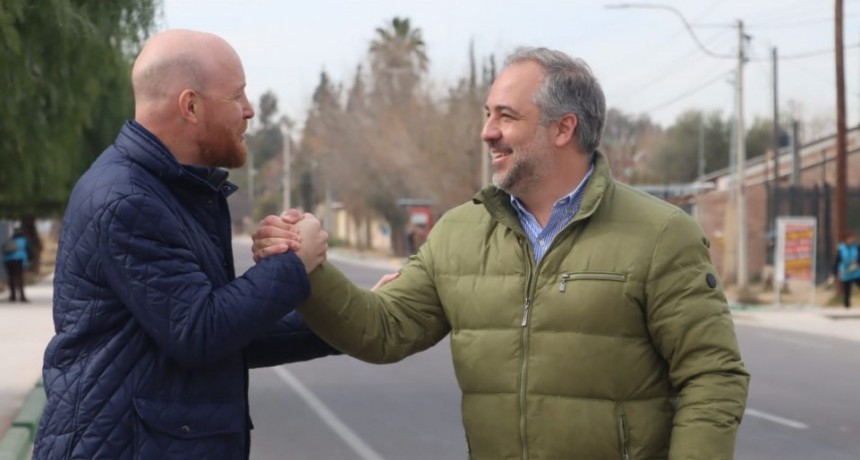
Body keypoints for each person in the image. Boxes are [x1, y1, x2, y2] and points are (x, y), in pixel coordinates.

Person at [255, 47, 750, 459]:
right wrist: (308, 264)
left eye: (506, 116)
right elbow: (380, 330)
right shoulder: (459, 232)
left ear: (563, 128)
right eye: (488, 114)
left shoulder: (662, 234)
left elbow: (713, 375)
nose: (487, 131)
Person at [34, 30, 336, 460]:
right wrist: (294, 263)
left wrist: (351, 320)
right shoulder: (127, 200)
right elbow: (201, 332)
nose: (250, 111)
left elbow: (229, 335)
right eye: (237, 96)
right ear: (190, 106)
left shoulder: (175, 193)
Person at [832, 232, 860, 308]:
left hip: (856, 272)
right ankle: (846, 307)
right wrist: (835, 271)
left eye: (851, 238)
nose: (850, 240)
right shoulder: (841, 248)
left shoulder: (856, 247)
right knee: (847, 292)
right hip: (846, 273)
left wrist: (857, 263)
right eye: (849, 238)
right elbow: (837, 260)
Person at [2, 227, 29, 302]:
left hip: (8, 260)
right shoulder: (24, 240)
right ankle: (22, 296)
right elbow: (29, 251)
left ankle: (12, 296)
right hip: (19, 260)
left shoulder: (10, 240)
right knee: (19, 278)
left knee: (11, 278)